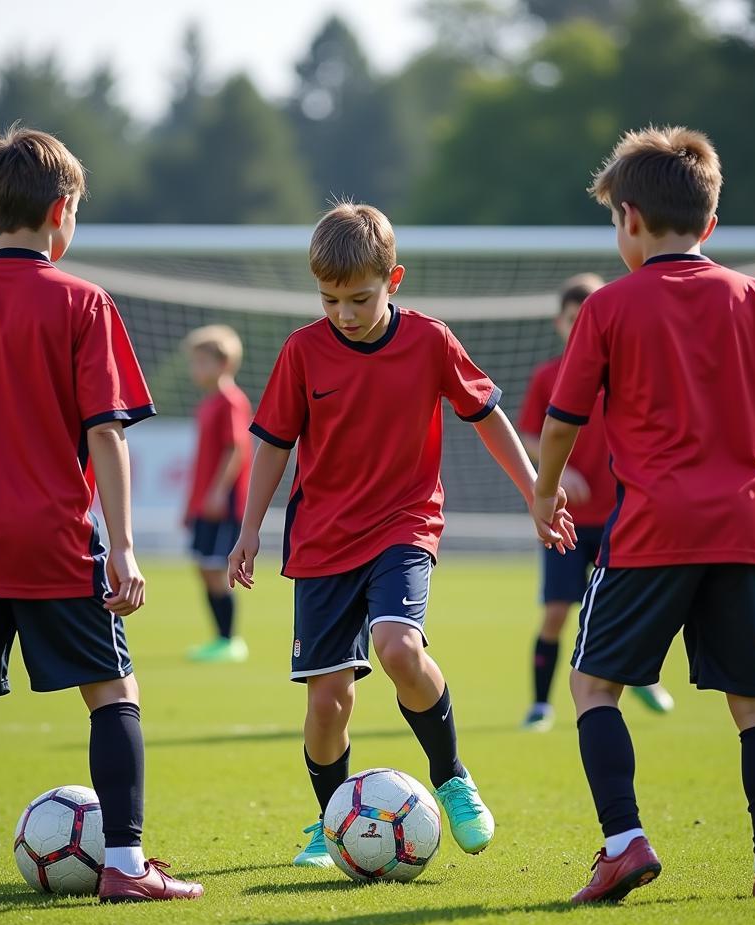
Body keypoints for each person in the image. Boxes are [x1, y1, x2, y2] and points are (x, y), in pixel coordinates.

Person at [0, 125, 202, 903]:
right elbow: (106, 432)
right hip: (53, 538)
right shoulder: (83, 302)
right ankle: (124, 866)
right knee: (113, 693)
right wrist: (122, 546)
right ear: (63, 212)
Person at [530, 125, 755, 903]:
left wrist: (546, 490)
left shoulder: (609, 306)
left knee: (593, 686)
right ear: (709, 225)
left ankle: (625, 843)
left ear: (629, 219)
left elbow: (563, 421)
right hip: (747, 531)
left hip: (651, 532)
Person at [228, 201, 575, 867]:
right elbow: (272, 444)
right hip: (322, 541)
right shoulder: (303, 351)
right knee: (329, 702)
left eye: (359, 298)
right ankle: (330, 824)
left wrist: (536, 487)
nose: (345, 314)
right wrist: (250, 530)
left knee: (397, 648)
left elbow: (486, 415)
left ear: (395, 280)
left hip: (403, 525)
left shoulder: (430, 341)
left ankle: (450, 776)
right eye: (330, 300)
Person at [518, 274, 673, 730]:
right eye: (573, 318)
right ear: (559, 323)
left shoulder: (626, 370)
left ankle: (639, 678)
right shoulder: (548, 375)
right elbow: (529, 433)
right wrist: (559, 470)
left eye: (589, 315)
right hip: (565, 517)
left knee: (627, 608)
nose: (580, 324)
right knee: (557, 611)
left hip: (621, 515)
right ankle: (541, 705)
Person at [182, 324, 252, 663]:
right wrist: (191, 503)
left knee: (215, 568)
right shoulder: (208, 403)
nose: (195, 369)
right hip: (202, 503)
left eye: (201, 362)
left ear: (223, 363)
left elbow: (236, 449)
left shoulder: (230, 401)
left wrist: (216, 494)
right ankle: (220, 639)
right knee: (203, 568)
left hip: (222, 504)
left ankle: (230, 640)